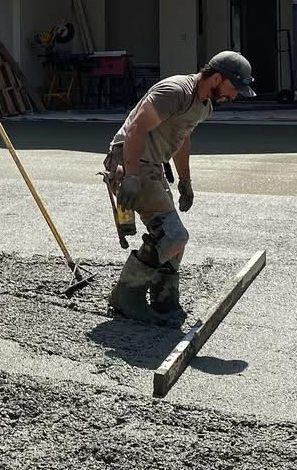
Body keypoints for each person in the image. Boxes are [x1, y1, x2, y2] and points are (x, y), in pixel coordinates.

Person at [103, 51, 256, 323]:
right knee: (172, 235)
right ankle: (126, 295)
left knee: (175, 240)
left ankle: (164, 298)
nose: (233, 96)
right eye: (233, 88)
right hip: (130, 163)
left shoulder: (204, 104)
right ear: (217, 77)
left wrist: (185, 181)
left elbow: (182, 138)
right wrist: (132, 176)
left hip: (152, 167)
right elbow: (137, 127)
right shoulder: (175, 91)